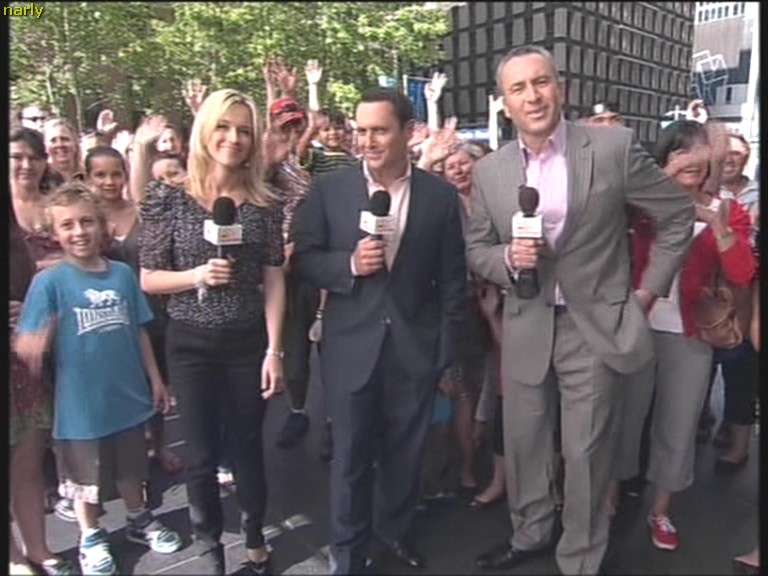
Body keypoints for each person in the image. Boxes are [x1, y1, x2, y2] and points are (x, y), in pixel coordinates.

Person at [465, 45, 695, 575]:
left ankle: (580, 559)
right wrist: (506, 259)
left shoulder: (614, 147)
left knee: (587, 455)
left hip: (594, 328)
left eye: (541, 82)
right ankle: (530, 534)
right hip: (526, 324)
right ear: (504, 103)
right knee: (525, 445)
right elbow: (476, 247)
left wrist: (645, 294)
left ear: (561, 88)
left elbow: (677, 216)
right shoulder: (491, 170)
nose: (532, 96)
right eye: (518, 88)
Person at [292, 87, 467, 574]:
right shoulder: (330, 191)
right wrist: (348, 264)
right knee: (350, 458)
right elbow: (305, 259)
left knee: (405, 456)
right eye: (361, 130)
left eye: (379, 131)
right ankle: (347, 554)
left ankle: (391, 534)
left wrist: (445, 352)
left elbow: (453, 280)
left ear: (408, 132)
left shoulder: (439, 197)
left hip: (414, 349)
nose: (366, 141)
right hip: (350, 348)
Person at [138, 88, 286, 576]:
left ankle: (254, 534)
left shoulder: (264, 203)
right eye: (223, 126)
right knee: (200, 456)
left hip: (247, 343)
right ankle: (209, 550)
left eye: (244, 130)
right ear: (204, 130)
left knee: (248, 446)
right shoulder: (169, 197)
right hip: (190, 344)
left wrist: (275, 350)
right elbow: (149, 278)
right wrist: (197, 275)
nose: (234, 138)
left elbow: (273, 278)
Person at [15, 184, 182, 576]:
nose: (79, 231)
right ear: (54, 232)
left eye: (86, 221)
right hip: (79, 405)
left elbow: (140, 330)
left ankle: (138, 518)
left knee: (130, 468)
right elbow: (26, 342)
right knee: (83, 477)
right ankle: (90, 533)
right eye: (68, 225)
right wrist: (36, 343)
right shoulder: (49, 283)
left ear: (102, 225)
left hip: (126, 396)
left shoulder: (122, 275)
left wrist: (156, 379)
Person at [626, 120, 754, 551]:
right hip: (635, 327)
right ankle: (609, 496)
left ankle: (661, 509)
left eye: (703, 152)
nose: (695, 160)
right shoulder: (641, 205)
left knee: (678, 425)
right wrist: (664, 185)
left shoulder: (727, 209)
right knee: (624, 419)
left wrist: (718, 227)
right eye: (684, 151)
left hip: (690, 333)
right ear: (665, 157)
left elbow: (742, 272)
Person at [85, 146, 184, 477]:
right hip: (105, 316)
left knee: (155, 381)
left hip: (150, 311)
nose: (109, 181)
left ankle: (159, 443)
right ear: (88, 178)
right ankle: (119, 455)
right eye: (100, 175)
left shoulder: (141, 211)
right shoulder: (84, 221)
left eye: (116, 173)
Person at [9, 215, 78, 576]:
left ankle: (37, 547)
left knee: (28, 462)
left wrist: (30, 311)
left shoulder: (15, 236)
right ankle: (13, 557)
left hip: (22, 365)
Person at [43, 118, 82, 182]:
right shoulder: (40, 179)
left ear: (75, 143)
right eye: (53, 141)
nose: (59, 144)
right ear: (45, 146)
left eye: (65, 139)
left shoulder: (89, 175)